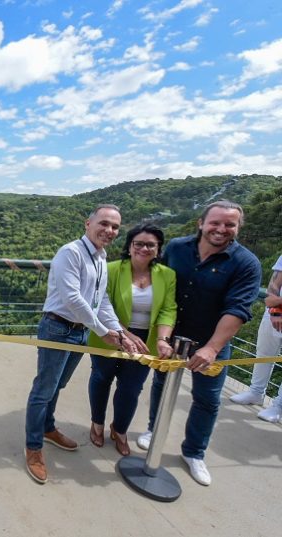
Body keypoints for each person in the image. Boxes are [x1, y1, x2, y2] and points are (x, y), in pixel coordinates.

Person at [136, 200, 262, 486]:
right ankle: (153, 430)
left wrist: (212, 348)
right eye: (215, 222)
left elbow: (238, 309)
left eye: (230, 224)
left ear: (238, 227)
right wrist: (160, 336)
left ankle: (194, 452)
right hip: (170, 335)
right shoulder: (177, 248)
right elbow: (159, 286)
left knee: (207, 399)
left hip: (212, 341)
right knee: (161, 384)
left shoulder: (246, 263)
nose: (221, 229)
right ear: (201, 223)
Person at [25, 204, 137, 484]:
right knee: (44, 389)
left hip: (79, 332)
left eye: (115, 227)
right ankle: (33, 447)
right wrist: (103, 330)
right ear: (88, 223)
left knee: (58, 385)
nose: (109, 231)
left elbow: (101, 302)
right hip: (57, 328)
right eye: (104, 223)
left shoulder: (100, 258)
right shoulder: (71, 253)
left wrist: (116, 330)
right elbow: (74, 299)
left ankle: (48, 428)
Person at [87, 224, 177, 456]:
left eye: (151, 244)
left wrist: (163, 339)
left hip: (145, 342)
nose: (144, 248)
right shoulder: (111, 269)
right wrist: (124, 333)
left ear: (158, 249)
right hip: (108, 334)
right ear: (129, 246)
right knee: (101, 379)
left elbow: (168, 309)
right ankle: (97, 423)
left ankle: (120, 429)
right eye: (139, 243)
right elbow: (100, 304)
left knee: (131, 388)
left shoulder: (167, 275)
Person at [229, 254, 282, 422]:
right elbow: (275, 282)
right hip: (275, 312)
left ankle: (278, 407)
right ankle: (256, 392)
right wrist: (276, 310)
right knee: (264, 352)